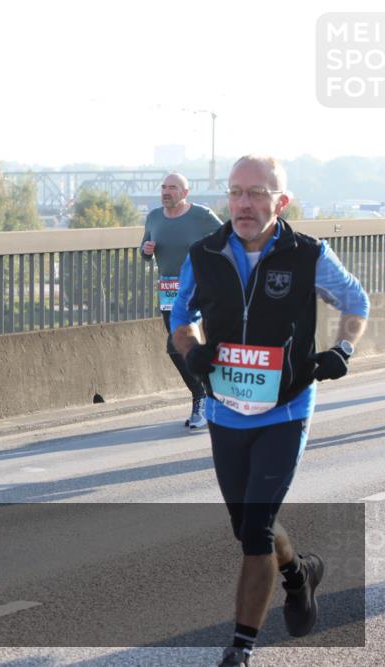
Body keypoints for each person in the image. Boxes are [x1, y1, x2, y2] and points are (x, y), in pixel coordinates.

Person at [170, 155, 370, 666]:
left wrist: (342, 350)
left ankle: (240, 648)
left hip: (285, 408)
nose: (244, 203)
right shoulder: (204, 254)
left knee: (256, 530)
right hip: (225, 410)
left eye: (257, 193)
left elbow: (356, 303)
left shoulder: (308, 255)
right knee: (248, 527)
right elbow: (181, 319)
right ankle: (299, 573)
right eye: (236, 192)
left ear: (281, 202)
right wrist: (192, 352)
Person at [140, 172, 222, 428]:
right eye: (163, 187)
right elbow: (144, 249)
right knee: (177, 347)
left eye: (172, 188)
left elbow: (227, 240)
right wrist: (145, 250)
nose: (166, 192)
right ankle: (205, 395)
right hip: (169, 289)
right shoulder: (154, 217)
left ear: (185, 193)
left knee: (188, 342)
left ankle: (204, 398)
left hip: (200, 288)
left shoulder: (201, 215)